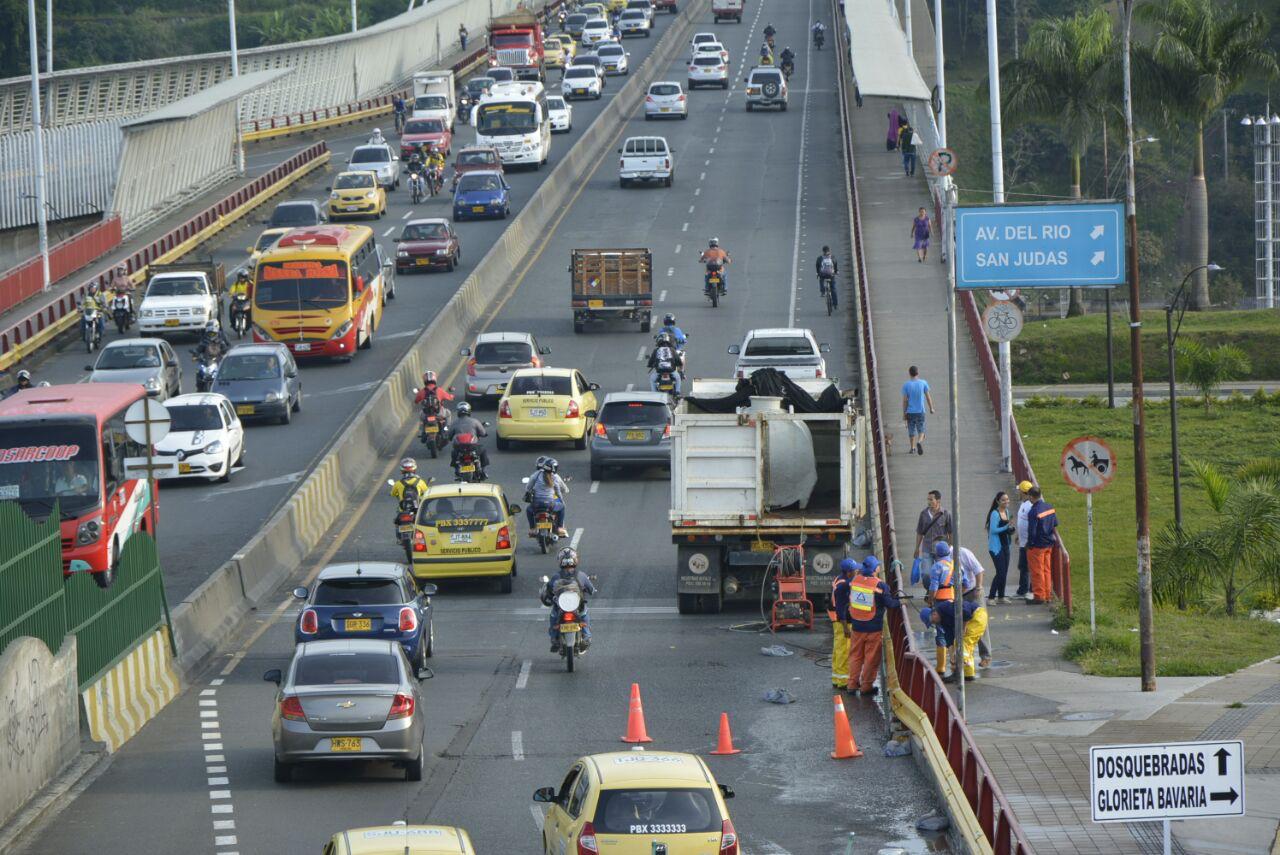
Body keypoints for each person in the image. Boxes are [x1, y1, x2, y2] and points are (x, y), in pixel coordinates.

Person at [843, 556, 900, 696]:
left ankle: (852, 684)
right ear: (875, 570)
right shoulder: (880, 585)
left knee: (855, 656)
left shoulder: (854, 581)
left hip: (857, 626)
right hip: (873, 628)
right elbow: (890, 604)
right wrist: (900, 603)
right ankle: (866, 686)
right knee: (871, 658)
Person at [541, 547, 596, 652]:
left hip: (561, 607)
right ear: (575, 560)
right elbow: (591, 590)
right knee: (584, 614)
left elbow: (548, 591)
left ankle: (554, 638)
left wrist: (549, 597)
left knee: (553, 616)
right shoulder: (581, 575)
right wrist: (590, 590)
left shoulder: (556, 576)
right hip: (577, 607)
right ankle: (587, 636)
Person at [920, 600, 987, 682]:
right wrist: (951, 655)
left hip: (977, 615)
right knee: (967, 646)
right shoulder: (942, 620)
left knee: (962, 643)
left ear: (934, 614)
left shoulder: (945, 608)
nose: (934, 624)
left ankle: (957, 673)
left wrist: (963, 627)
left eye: (932, 621)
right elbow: (949, 637)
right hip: (978, 616)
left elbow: (966, 613)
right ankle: (968, 674)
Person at [955, 544, 992, 668]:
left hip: (972, 592)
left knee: (980, 623)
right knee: (960, 626)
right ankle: (962, 657)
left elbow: (979, 569)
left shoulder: (963, 553)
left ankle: (986, 656)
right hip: (957, 594)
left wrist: (979, 586)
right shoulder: (940, 558)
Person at [1025, 486, 1058, 604]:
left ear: (1030, 496)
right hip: (1049, 544)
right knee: (1046, 570)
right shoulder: (1049, 507)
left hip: (1037, 545)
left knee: (1037, 571)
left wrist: (1030, 544)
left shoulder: (1033, 511)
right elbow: (1055, 523)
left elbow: (1032, 531)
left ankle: (1039, 596)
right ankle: (1048, 594)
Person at [828, 559, 856, 690]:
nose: (857, 571)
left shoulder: (840, 579)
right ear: (849, 572)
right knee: (844, 650)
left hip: (837, 619)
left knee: (838, 649)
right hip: (841, 621)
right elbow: (840, 607)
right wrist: (845, 627)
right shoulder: (844, 585)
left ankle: (836, 678)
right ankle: (843, 681)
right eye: (855, 570)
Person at [524, 457, 569, 537]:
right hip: (550, 504)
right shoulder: (554, 477)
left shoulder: (536, 475)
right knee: (562, 507)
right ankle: (560, 528)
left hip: (537, 504)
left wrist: (530, 491)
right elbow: (558, 491)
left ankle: (532, 529)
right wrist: (562, 501)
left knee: (528, 510)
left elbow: (528, 488)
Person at [986, 491, 1014, 603]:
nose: (1006, 501)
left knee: (1004, 572)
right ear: (998, 501)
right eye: (1003, 500)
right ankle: (991, 597)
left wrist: (1011, 529)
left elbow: (1006, 529)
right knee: (1000, 572)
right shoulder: (995, 513)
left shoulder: (1006, 511)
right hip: (996, 548)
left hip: (1006, 545)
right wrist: (1006, 526)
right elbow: (993, 530)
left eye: (1007, 499)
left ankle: (1001, 596)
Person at [902, 365, 935, 455]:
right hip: (920, 411)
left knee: (911, 431)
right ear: (918, 373)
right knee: (922, 431)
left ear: (909, 374)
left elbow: (905, 401)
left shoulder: (906, 385)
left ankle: (912, 448)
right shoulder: (923, 383)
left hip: (910, 412)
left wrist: (904, 413)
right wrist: (931, 408)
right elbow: (928, 397)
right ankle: (919, 442)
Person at [449, 401, 490, 469]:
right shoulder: (474, 421)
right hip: (472, 447)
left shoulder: (454, 422)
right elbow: (483, 433)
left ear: (458, 412)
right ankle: (483, 470)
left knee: (454, 454)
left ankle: (456, 469)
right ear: (469, 411)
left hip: (459, 448)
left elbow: (449, 436)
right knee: (483, 450)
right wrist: (484, 434)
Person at [914, 489, 951, 564]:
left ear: (938, 501)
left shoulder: (946, 514)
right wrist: (917, 548)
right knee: (926, 573)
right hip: (927, 548)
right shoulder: (923, 514)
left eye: (931, 500)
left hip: (941, 550)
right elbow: (919, 533)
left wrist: (950, 546)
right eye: (928, 499)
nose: (929, 502)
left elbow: (951, 533)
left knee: (942, 571)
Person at [1014, 480, 1035, 600]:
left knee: (1028, 567)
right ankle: (1023, 589)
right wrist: (1018, 535)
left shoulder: (1030, 506)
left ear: (1024, 492)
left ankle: (1028, 589)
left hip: (1028, 543)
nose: (1019, 493)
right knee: (1023, 566)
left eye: (1020, 491)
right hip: (1023, 541)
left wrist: (1027, 540)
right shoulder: (1024, 504)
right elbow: (1022, 522)